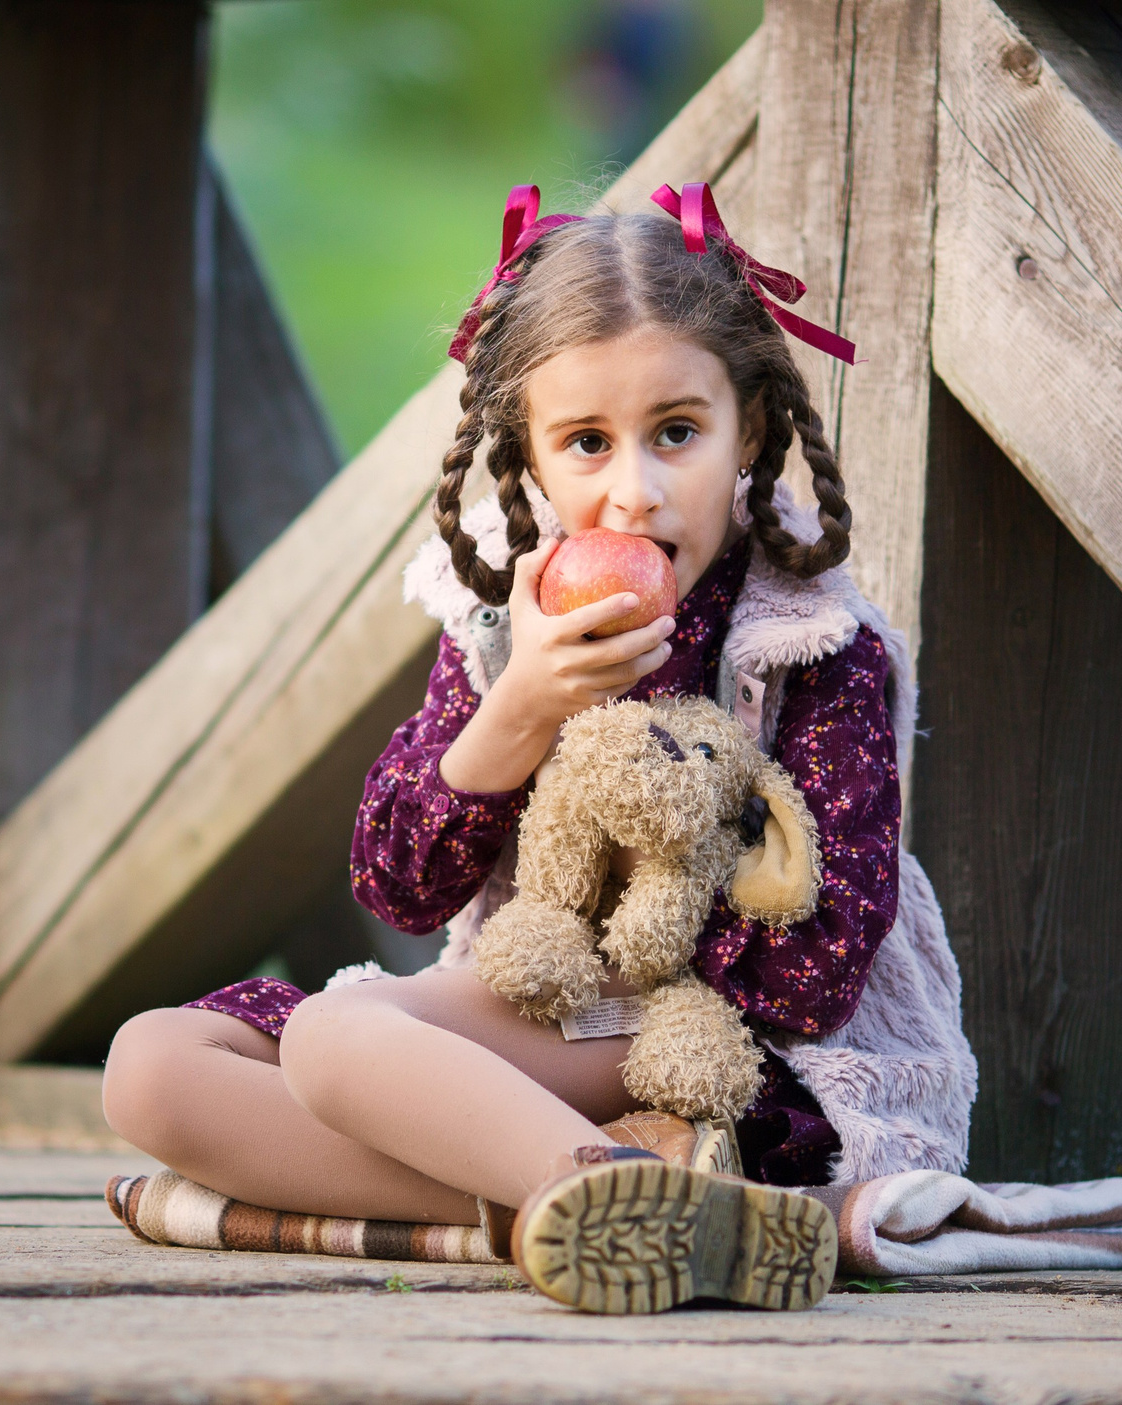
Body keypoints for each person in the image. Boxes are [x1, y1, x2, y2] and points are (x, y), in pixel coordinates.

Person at [100, 184, 974, 1316]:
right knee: (152, 1070)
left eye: (677, 432)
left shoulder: (811, 645)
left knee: (331, 1045)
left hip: (715, 1045)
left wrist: (649, 919)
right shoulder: (506, 622)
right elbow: (395, 883)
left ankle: (596, 1179)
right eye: (586, 442)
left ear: (748, 429)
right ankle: (630, 1196)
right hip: (529, 1001)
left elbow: (813, 976)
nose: (634, 489)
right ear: (532, 452)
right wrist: (513, 710)